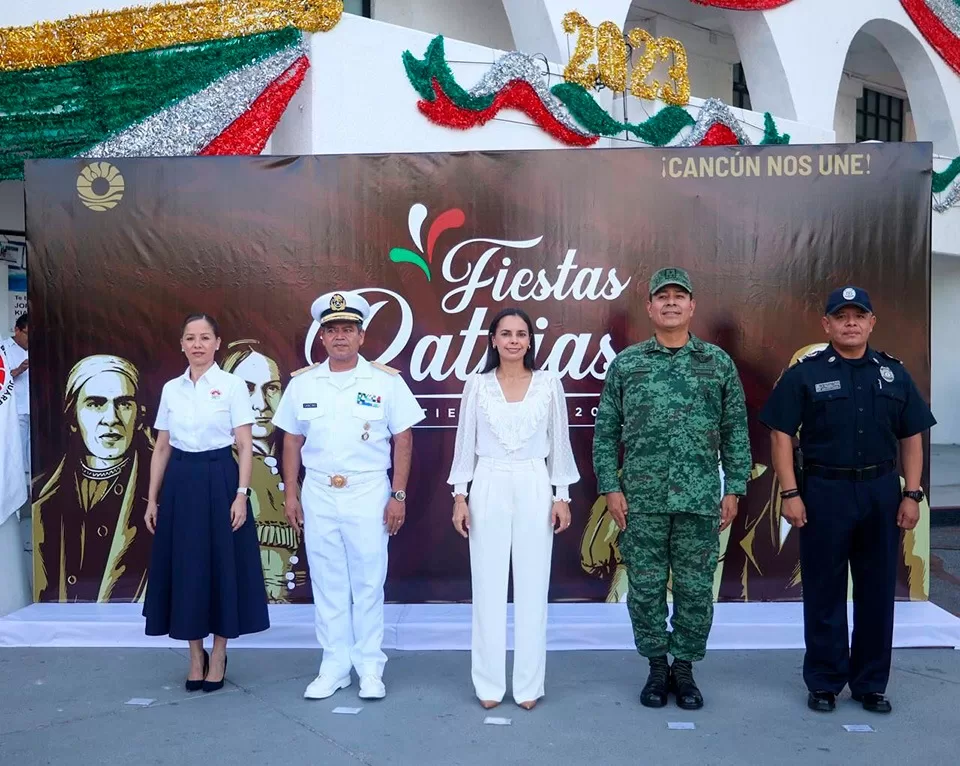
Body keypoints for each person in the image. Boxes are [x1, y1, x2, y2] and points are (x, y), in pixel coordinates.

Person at [759, 286, 936, 714]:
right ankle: (824, 681)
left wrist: (912, 493)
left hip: (880, 491)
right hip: (824, 492)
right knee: (824, 590)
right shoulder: (806, 374)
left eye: (859, 316)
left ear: (872, 323)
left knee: (877, 591)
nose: (850, 323)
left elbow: (912, 437)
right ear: (827, 325)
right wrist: (790, 493)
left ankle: (870, 683)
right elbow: (780, 434)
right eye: (841, 316)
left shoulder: (893, 374)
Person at [593, 267, 751, 710]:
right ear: (649, 307)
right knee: (643, 587)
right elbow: (606, 432)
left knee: (696, 588)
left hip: (700, 498)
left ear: (692, 306)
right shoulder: (628, 363)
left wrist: (733, 487)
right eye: (662, 296)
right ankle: (656, 667)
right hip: (641, 500)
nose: (670, 303)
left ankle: (684, 669)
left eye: (679, 296)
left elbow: (735, 430)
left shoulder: (716, 363)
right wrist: (610, 486)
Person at [272, 290, 424, 701]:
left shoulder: (383, 382)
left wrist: (399, 495)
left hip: (368, 490)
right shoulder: (303, 383)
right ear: (321, 337)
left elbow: (403, 439)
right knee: (327, 582)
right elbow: (290, 440)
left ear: (361, 336)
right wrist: (291, 494)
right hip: (319, 490)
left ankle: (370, 667)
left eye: (348, 329)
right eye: (332, 330)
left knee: (368, 583)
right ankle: (334, 665)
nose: (340, 336)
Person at [447, 307, 579, 710]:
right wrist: (459, 495)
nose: (514, 340)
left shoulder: (548, 383)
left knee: (533, 587)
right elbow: (464, 441)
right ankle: (488, 685)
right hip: (487, 480)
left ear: (530, 341)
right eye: (506, 333)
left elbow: (559, 441)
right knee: (486, 586)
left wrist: (561, 495)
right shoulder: (478, 384)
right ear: (493, 339)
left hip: (534, 481)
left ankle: (527, 686)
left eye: (521, 334)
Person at [142, 313, 269, 693]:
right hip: (181, 480)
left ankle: (219, 653)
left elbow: (245, 445)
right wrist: (152, 498)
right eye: (190, 338)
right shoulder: (171, 389)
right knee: (187, 568)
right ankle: (194, 654)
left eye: (204, 337)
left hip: (220, 478)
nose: (197, 344)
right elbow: (162, 446)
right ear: (181, 344)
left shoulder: (231, 386)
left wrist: (241, 495)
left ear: (217, 343)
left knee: (221, 565)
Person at [33, 354, 153, 602]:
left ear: (139, 417)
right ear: (72, 417)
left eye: (123, 404)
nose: (111, 418)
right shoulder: (43, 498)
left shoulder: (164, 491)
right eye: (96, 404)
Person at [222, 339, 306, 603]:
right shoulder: (220, 464)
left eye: (271, 389)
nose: (260, 404)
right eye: (246, 389)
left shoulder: (302, 462)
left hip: (300, 621)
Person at [1, 313, 29, 499]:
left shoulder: (39, 348)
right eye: (27, 333)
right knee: (16, 455)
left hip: (35, 410)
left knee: (32, 456)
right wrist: (19, 370)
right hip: (15, 412)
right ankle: (15, 497)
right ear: (17, 330)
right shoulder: (3, 348)